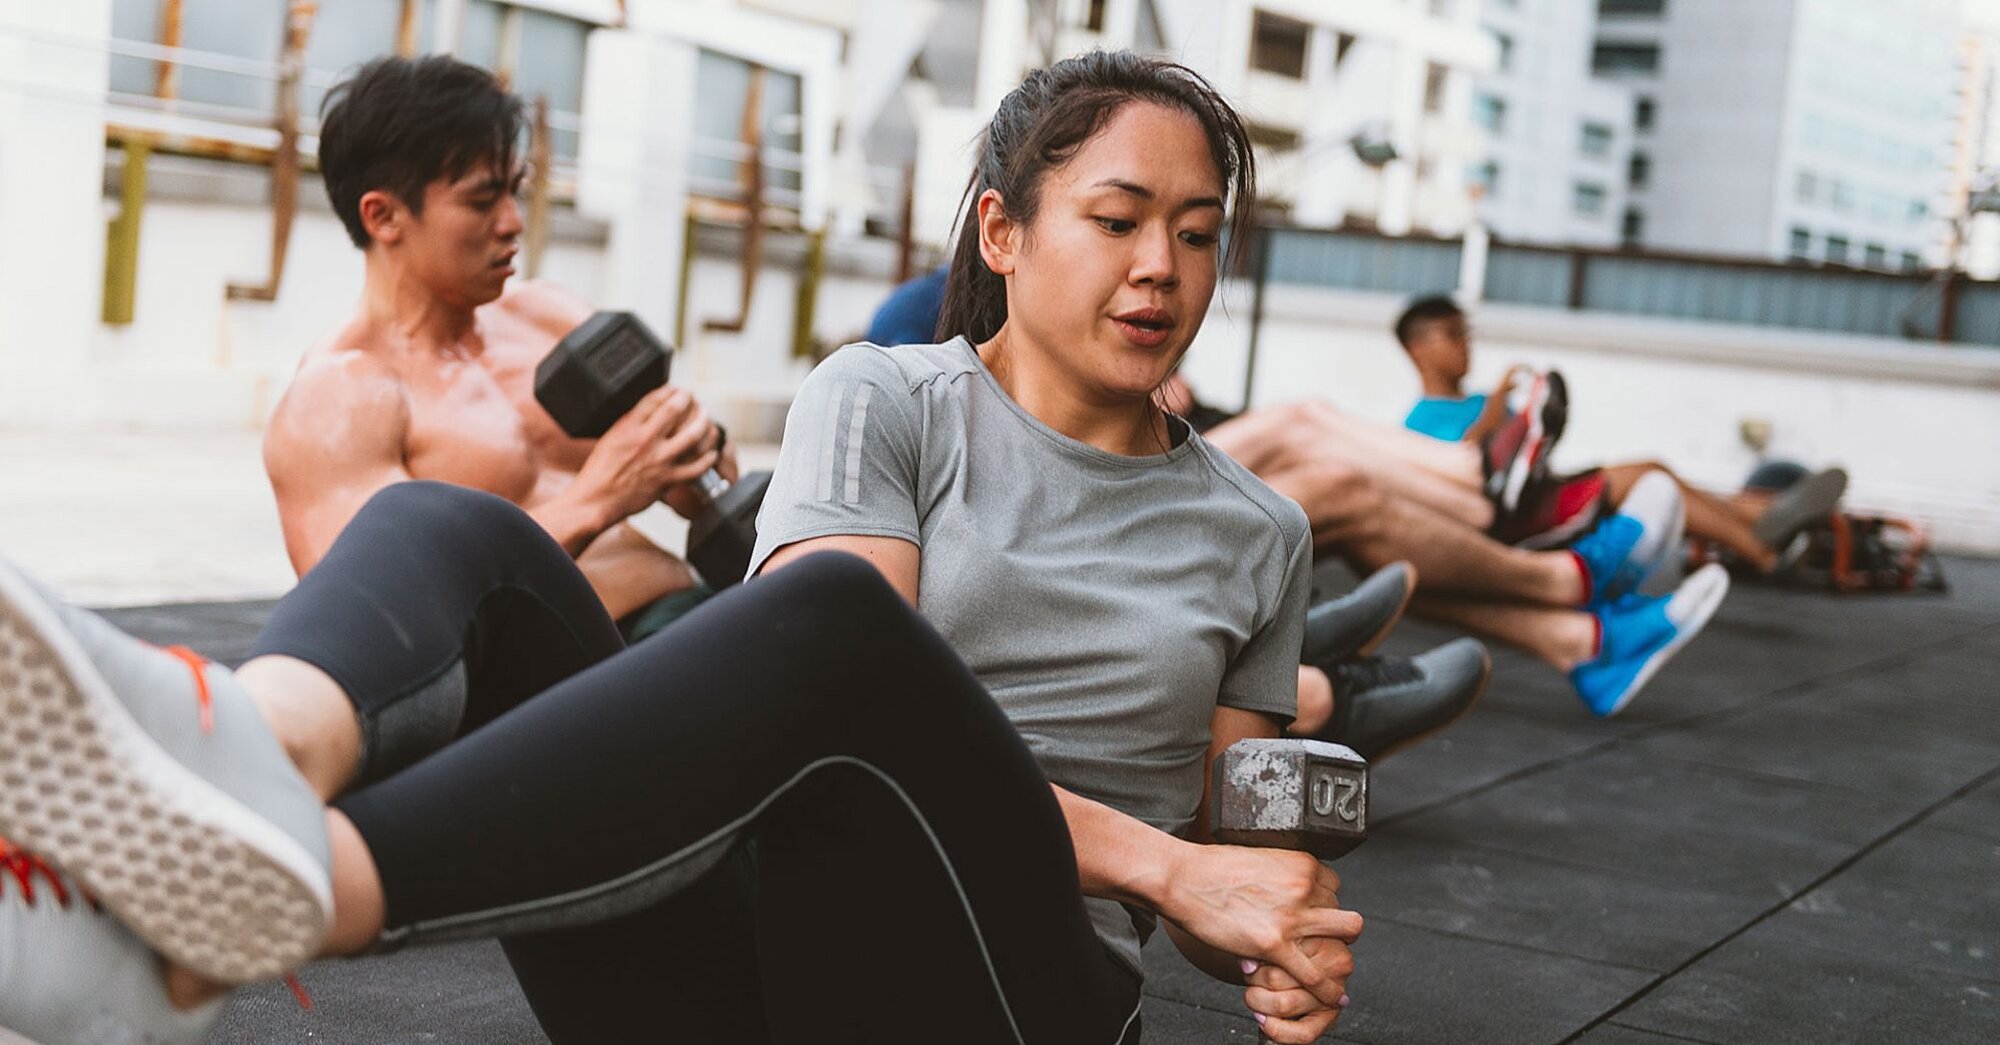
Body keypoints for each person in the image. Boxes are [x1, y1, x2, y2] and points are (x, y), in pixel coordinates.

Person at [0, 52, 1489, 1045]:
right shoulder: (885, 400)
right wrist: (1180, 869)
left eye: (1199, 230)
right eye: (1117, 217)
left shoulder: (1258, 530)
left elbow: (1227, 880)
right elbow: (846, 704)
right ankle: (239, 753)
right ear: (1004, 231)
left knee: (844, 638)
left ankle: (256, 901)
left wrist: (1272, 943)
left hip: (992, 990)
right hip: (720, 967)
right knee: (447, 524)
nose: (1163, 264)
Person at [262, 56, 734, 638]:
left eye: (515, 192)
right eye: (483, 201)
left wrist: (694, 452)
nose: (512, 223)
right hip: (576, 673)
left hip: (690, 610)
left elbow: (707, 494)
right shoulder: (337, 400)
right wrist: (597, 499)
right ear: (383, 216)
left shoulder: (548, 314)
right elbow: (381, 621)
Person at [1394, 295, 1849, 570]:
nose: (1466, 345)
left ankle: (1767, 514)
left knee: (1664, 481)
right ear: (1418, 348)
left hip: (1545, 490)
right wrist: (1497, 407)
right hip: (1515, 521)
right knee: (1650, 473)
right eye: (1453, 335)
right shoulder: (1419, 422)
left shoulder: (1477, 400)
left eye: (1466, 333)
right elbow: (1466, 468)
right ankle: (1762, 547)